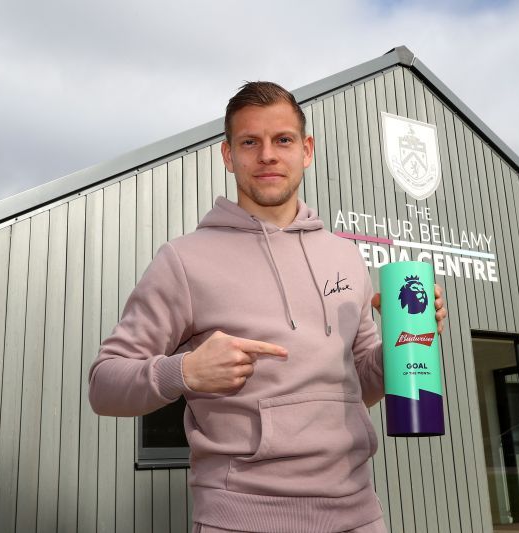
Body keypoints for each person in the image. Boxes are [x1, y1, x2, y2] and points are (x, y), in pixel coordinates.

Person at [88, 81, 447, 533]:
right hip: (241, 519)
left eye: (283, 140)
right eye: (250, 142)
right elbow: (103, 384)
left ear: (306, 150)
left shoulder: (345, 256)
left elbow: (364, 386)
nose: (268, 155)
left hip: (359, 514)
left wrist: (408, 336)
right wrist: (185, 372)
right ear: (228, 155)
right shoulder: (184, 260)